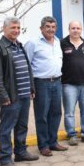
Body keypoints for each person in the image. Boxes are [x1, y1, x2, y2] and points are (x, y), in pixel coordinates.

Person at [0, 17, 39, 166]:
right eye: (13, 27)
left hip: (25, 95)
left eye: (18, 28)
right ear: (4, 28)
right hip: (11, 97)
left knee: (22, 126)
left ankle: (21, 152)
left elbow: (27, 68)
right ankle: (5, 159)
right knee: (6, 128)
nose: (16, 30)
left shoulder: (19, 45)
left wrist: (31, 88)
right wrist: (4, 97)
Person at [25, 16, 67, 156]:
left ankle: (53, 142)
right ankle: (43, 145)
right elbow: (27, 65)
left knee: (56, 113)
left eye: (53, 27)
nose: (51, 29)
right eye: (48, 27)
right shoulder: (33, 43)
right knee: (42, 115)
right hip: (41, 83)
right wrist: (30, 86)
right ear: (41, 28)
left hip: (56, 81)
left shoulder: (57, 41)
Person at [61, 21, 84, 146]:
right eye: (73, 28)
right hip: (69, 84)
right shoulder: (62, 43)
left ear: (81, 30)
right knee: (69, 112)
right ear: (69, 29)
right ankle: (72, 135)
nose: (75, 30)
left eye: (78, 28)